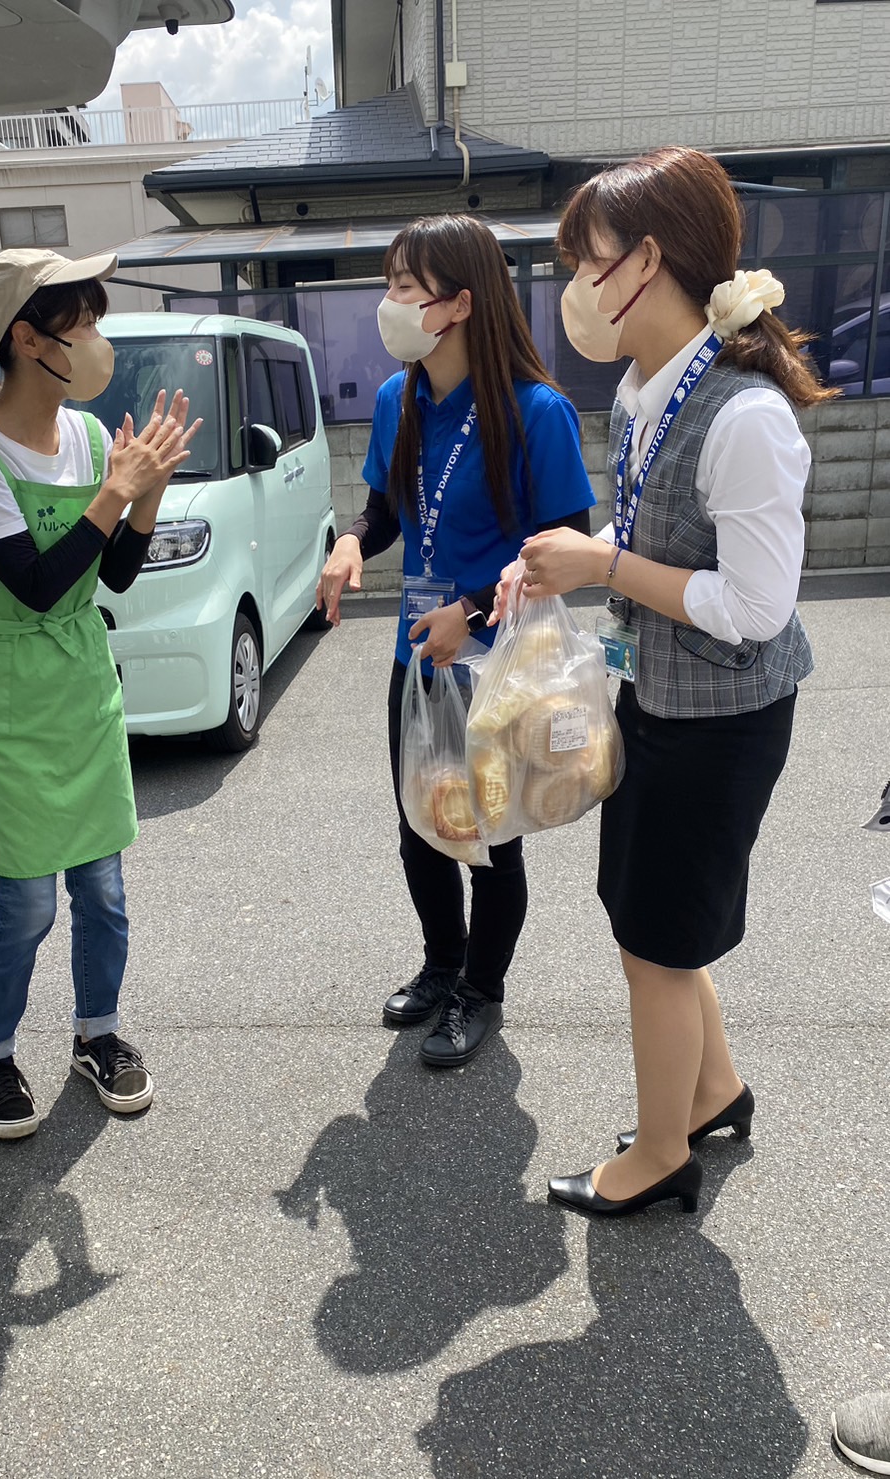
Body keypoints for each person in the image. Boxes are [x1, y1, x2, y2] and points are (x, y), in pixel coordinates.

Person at [494, 146, 835, 1216]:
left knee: (653, 941)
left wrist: (600, 564)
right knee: (655, 919)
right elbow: (646, 533)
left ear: (644, 261)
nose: (573, 290)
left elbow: (750, 608)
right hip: (661, 699)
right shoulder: (650, 390)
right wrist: (569, 551)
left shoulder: (743, 417)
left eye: (583, 262)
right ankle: (713, 1092)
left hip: (724, 718)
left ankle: (658, 1156)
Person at [0, 247, 199, 1139]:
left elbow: (110, 575)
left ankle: (98, 1034)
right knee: (27, 901)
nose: (93, 340)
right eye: (77, 322)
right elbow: (35, 584)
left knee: (103, 890)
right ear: (23, 339)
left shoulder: (85, 437)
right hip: (6, 692)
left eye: (92, 320)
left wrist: (144, 495)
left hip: (81, 683)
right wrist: (112, 493)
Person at [316, 214, 594, 1068]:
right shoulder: (401, 397)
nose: (388, 302)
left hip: (496, 662)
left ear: (459, 302)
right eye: (390, 283)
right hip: (416, 658)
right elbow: (388, 507)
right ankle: (441, 966)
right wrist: (354, 538)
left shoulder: (534, 410)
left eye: (404, 286)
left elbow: (565, 543)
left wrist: (471, 611)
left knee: (488, 837)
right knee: (419, 824)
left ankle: (482, 988)